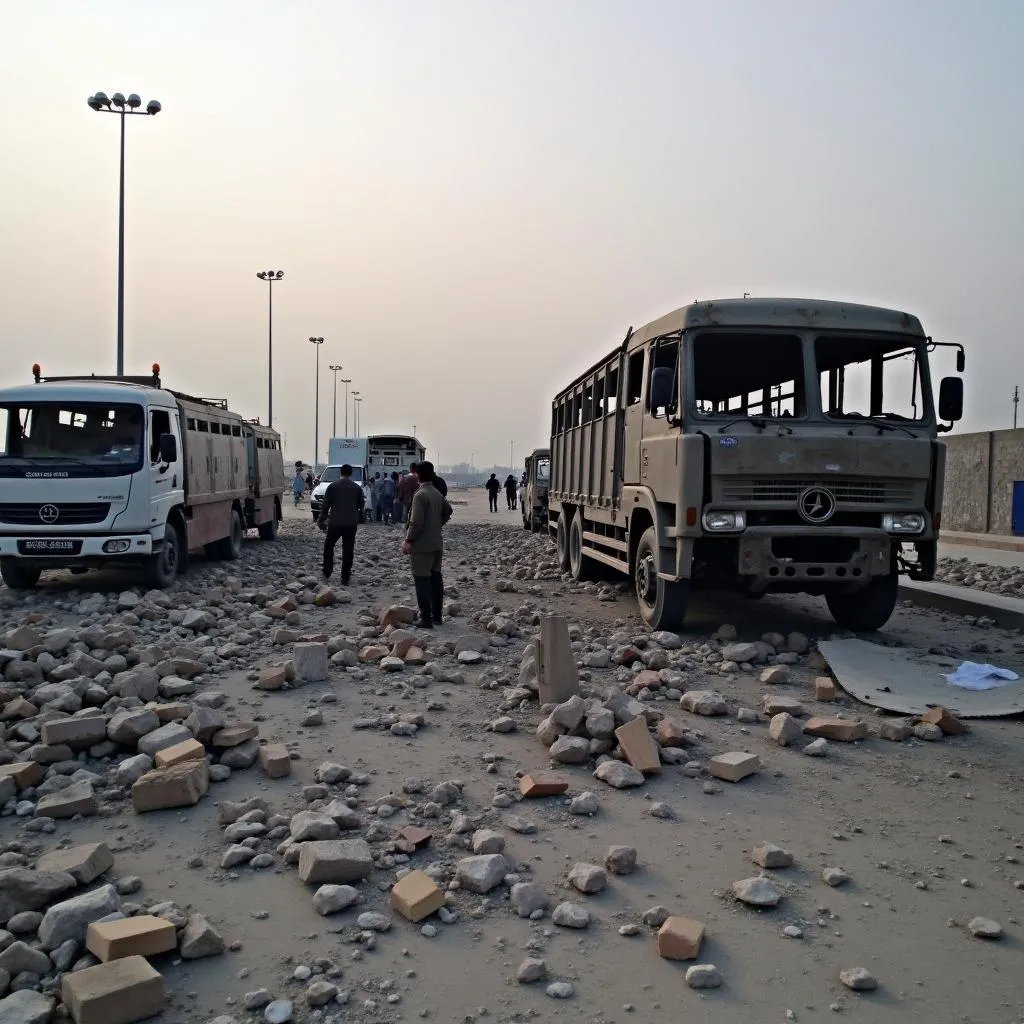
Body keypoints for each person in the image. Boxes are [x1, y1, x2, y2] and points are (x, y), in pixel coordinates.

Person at [402, 460, 452, 629]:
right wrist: (437, 525)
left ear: (417, 474)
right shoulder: (437, 493)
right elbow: (448, 511)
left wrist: (408, 540)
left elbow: (415, 522)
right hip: (436, 543)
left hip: (422, 546)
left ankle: (426, 618)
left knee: (421, 580)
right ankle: (437, 616)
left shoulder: (420, 495)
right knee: (436, 578)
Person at [317, 463, 365, 585]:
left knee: (329, 546)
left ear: (340, 473)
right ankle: (345, 577)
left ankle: (327, 571)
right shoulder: (356, 487)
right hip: (351, 523)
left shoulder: (333, 486)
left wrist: (322, 518)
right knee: (348, 549)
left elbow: (326, 504)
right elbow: (361, 505)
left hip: (335, 522)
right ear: (351, 473)